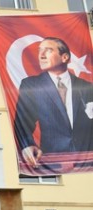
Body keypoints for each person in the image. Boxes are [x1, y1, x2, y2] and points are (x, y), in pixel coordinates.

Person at [14, 37, 93, 167]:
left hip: (87, 161)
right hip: (52, 161)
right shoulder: (32, 85)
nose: (41, 55)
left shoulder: (87, 87)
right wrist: (27, 145)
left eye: (48, 50)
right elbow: (23, 121)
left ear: (64, 57)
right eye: (40, 50)